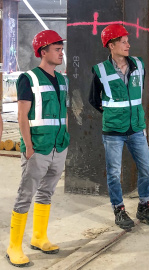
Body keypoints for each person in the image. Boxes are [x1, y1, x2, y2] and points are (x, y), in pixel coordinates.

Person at [89, 24, 149, 230]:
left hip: (136, 127)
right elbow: (94, 99)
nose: (128, 44)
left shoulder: (138, 64)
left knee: (146, 169)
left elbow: (139, 92)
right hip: (113, 130)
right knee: (113, 172)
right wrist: (113, 113)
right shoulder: (100, 70)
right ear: (111, 45)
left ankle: (144, 206)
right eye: (123, 41)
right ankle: (119, 209)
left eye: (127, 41)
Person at [6, 30, 69, 267]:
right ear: (43, 52)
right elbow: (22, 115)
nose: (61, 52)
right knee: (25, 196)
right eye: (57, 49)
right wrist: (28, 147)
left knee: (46, 193)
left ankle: (39, 237)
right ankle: (14, 247)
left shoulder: (62, 79)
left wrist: (63, 142)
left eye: (61, 49)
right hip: (38, 147)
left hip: (59, 145)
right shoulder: (29, 78)